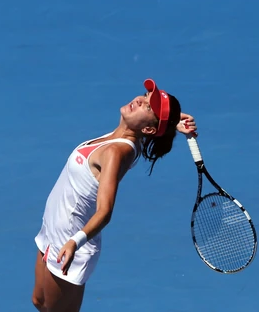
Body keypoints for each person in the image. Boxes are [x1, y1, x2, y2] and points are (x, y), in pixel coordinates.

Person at [32, 78, 198, 312]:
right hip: (54, 227)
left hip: (70, 240)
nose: (139, 100)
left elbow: (105, 211)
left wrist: (74, 242)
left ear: (148, 129)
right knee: (39, 301)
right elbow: (150, 128)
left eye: (148, 107)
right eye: (145, 97)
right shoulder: (124, 136)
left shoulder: (115, 152)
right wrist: (173, 122)